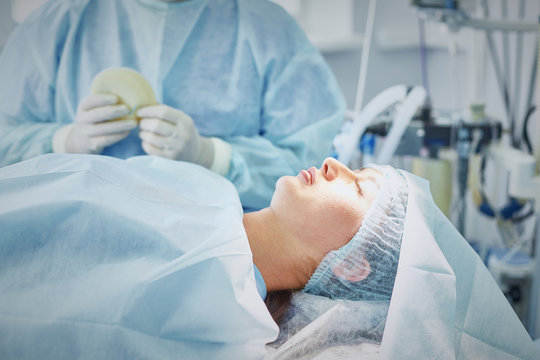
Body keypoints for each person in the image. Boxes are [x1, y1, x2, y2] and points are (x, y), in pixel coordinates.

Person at [1, 154, 539, 359]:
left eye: (359, 187)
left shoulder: (216, 322)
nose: (333, 163)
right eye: (355, 165)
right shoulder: (202, 192)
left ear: (352, 266)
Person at [0, 0, 346, 211]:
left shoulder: (268, 27)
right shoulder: (58, 22)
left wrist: (212, 156)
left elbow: (312, 170)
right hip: (74, 249)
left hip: (227, 262)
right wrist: (64, 142)